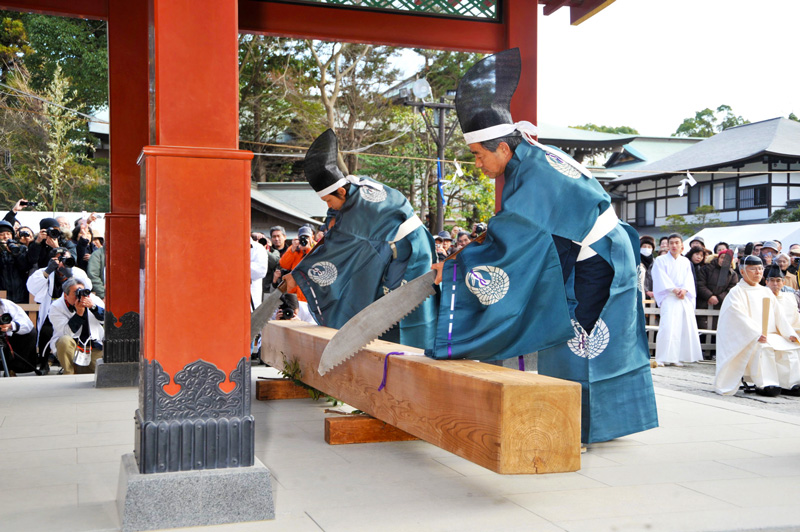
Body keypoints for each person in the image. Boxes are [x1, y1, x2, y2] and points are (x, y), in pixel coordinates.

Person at [427, 49, 657, 443]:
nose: (478, 164)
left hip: (596, 255)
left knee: (579, 340)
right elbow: (520, 227)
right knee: (585, 338)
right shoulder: (534, 158)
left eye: (478, 155)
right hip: (601, 247)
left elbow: (516, 235)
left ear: (503, 148)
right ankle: (589, 425)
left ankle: (577, 429)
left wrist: (454, 268)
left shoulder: (532, 173)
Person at [288, 129, 437, 348]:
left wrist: (299, 273)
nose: (329, 206)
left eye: (328, 201)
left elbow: (335, 245)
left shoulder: (358, 211)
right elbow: (338, 219)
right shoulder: (359, 186)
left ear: (341, 192)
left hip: (409, 252)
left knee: (401, 308)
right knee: (377, 298)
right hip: (402, 245)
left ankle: (408, 351)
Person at [715, 256, 800, 397]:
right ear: (743, 271)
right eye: (753, 269)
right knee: (764, 347)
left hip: (771, 334)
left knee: (791, 347)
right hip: (750, 337)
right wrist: (755, 333)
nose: (758, 272)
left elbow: (779, 315)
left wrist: (788, 333)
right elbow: (736, 317)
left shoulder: (766, 291)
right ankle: (766, 384)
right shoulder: (736, 292)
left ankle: (789, 384)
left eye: (760, 269)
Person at [27, 248, 91, 370]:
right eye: (59, 259)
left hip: (73, 309)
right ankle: (43, 363)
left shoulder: (77, 272)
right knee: (45, 332)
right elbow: (31, 287)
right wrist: (47, 271)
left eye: (66, 259)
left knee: (72, 334)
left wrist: (70, 275)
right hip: (52, 309)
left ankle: (72, 363)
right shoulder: (45, 271)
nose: (63, 262)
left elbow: (88, 287)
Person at [651, 234, 703, 367]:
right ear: (668, 245)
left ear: (682, 245)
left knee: (681, 327)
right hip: (669, 296)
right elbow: (660, 277)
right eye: (671, 243)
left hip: (682, 297)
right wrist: (673, 289)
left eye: (676, 243)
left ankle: (676, 357)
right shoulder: (660, 260)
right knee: (667, 327)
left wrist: (684, 290)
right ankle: (662, 357)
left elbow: (689, 279)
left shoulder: (685, 261)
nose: (674, 245)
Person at [49, 278, 105, 374]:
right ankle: (68, 373)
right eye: (76, 293)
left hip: (93, 346)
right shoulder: (56, 307)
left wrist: (93, 307)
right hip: (72, 347)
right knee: (64, 341)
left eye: (83, 292)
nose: (80, 296)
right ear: (65, 295)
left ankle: (82, 369)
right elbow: (66, 332)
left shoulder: (94, 300)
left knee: (101, 372)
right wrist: (79, 314)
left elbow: (106, 320)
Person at [0, 297, 38, 375]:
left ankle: (14, 368)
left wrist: (11, 326)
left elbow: (27, 325)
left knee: (31, 332)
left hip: (9, 338)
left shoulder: (7, 305)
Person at [0, 220, 30, 303]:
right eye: (2, 234)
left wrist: (16, 253)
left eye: (8, 234)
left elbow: (24, 267)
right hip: (2, 296)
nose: (6, 237)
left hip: (21, 295)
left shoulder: (21, 248)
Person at [766, 265, 800, 334]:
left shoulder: (790, 297)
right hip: (771, 333)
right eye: (772, 280)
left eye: (778, 280)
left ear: (783, 283)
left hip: (793, 331)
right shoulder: (762, 297)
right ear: (767, 282)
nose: (775, 284)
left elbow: (796, 319)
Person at [638, 235, 656, 300]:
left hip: (654, 296)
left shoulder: (656, 263)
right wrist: (646, 291)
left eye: (649, 247)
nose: (646, 249)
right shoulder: (636, 262)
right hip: (640, 295)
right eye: (644, 246)